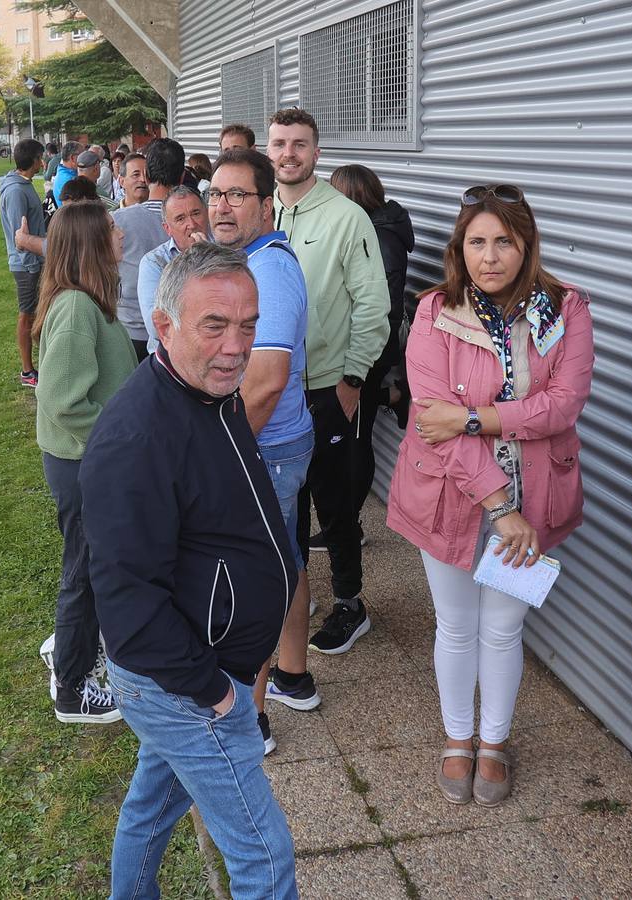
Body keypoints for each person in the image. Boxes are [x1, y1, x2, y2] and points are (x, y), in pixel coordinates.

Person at [82, 243, 298, 899]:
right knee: (264, 859)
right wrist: (218, 695)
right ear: (163, 324)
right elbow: (127, 608)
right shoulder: (135, 439)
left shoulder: (210, 390)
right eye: (215, 325)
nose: (237, 346)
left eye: (248, 325)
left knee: (150, 811)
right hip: (185, 684)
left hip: (203, 671)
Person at [386, 183, 593, 807]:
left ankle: (495, 742)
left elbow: (563, 405)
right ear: (460, 247)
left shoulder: (564, 309)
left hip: (537, 495)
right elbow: (431, 419)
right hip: (450, 492)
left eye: (504, 240)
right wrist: (499, 507)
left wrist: (475, 418)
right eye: (477, 241)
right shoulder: (434, 311)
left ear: (526, 243)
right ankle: (458, 738)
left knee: (503, 627)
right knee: (455, 623)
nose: (490, 255)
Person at [268, 107, 390, 654]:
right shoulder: (260, 211)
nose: (288, 153)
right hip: (273, 386)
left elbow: (373, 306)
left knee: (336, 501)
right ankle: (298, 595)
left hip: (329, 387)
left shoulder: (346, 218)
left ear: (317, 152)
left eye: (299, 144)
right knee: (285, 500)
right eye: (279, 144)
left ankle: (350, 602)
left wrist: (353, 377)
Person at [209, 147, 318, 754]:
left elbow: (268, 379)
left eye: (237, 195)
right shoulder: (245, 260)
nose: (222, 206)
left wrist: (224, 451)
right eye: (216, 194)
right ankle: (293, 675)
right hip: (275, 442)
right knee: (283, 559)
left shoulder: (268, 271)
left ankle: (251, 721)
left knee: (254, 579)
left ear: (267, 202)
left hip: (265, 445)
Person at [32, 201, 137, 725]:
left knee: (90, 569)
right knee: (84, 574)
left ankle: (72, 650)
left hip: (88, 461)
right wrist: (123, 443)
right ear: (92, 243)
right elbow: (63, 400)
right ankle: (71, 689)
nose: (121, 233)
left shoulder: (90, 300)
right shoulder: (75, 307)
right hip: (83, 465)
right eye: (113, 228)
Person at [331, 163, 415, 482]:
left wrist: (364, 357)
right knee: (350, 417)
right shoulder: (367, 230)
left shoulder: (379, 238)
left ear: (350, 197)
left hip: (369, 346)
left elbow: (385, 308)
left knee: (356, 437)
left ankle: (352, 527)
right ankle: (393, 396)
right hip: (359, 343)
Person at [112, 138, 186, 360]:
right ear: (182, 177)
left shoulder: (118, 221)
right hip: (179, 336)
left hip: (130, 333)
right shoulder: (197, 223)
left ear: (146, 177)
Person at [0, 138, 49, 388]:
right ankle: (28, 371)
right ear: (33, 160)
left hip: (36, 261)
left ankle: (44, 362)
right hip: (26, 265)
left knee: (37, 314)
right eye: (40, 157)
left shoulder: (25, 184)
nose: (43, 161)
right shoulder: (16, 190)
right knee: (26, 315)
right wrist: (31, 266)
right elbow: (20, 236)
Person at [136, 187, 212, 351]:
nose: (191, 224)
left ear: (206, 214)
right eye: (180, 219)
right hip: (169, 360)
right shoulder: (154, 262)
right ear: (167, 228)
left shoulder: (224, 252)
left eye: (196, 213)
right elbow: (155, 327)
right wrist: (198, 261)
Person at [49, 141, 81, 208]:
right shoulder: (70, 180)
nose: (84, 158)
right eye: (82, 155)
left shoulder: (62, 171)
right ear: (72, 158)